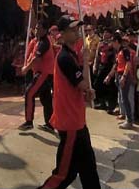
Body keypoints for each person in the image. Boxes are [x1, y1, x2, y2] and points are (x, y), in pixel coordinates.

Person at [38, 15, 100, 189]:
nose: (76, 31)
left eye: (77, 28)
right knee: (63, 175)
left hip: (78, 121)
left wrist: (88, 91)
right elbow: (85, 85)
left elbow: (85, 91)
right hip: (70, 124)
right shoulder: (65, 57)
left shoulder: (72, 55)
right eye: (72, 29)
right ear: (62, 34)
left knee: (89, 169)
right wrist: (87, 62)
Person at [19, 20, 54, 132]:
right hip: (43, 73)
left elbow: (36, 58)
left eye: (38, 28)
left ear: (44, 30)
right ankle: (50, 123)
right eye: (36, 28)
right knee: (46, 98)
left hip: (43, 73)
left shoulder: (44, 42)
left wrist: (26, 68)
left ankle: (29, 122)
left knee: (29, 93)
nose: (36, 30)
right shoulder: (38, 41)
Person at [114, 40, 136, 129]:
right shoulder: (119, 52)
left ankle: (129, 120)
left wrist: (124, 76)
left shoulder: (125, 51)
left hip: (124, 75)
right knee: (123, 98)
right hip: (120, 74)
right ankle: (127, 118)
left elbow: (128, 64)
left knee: (125, 98)